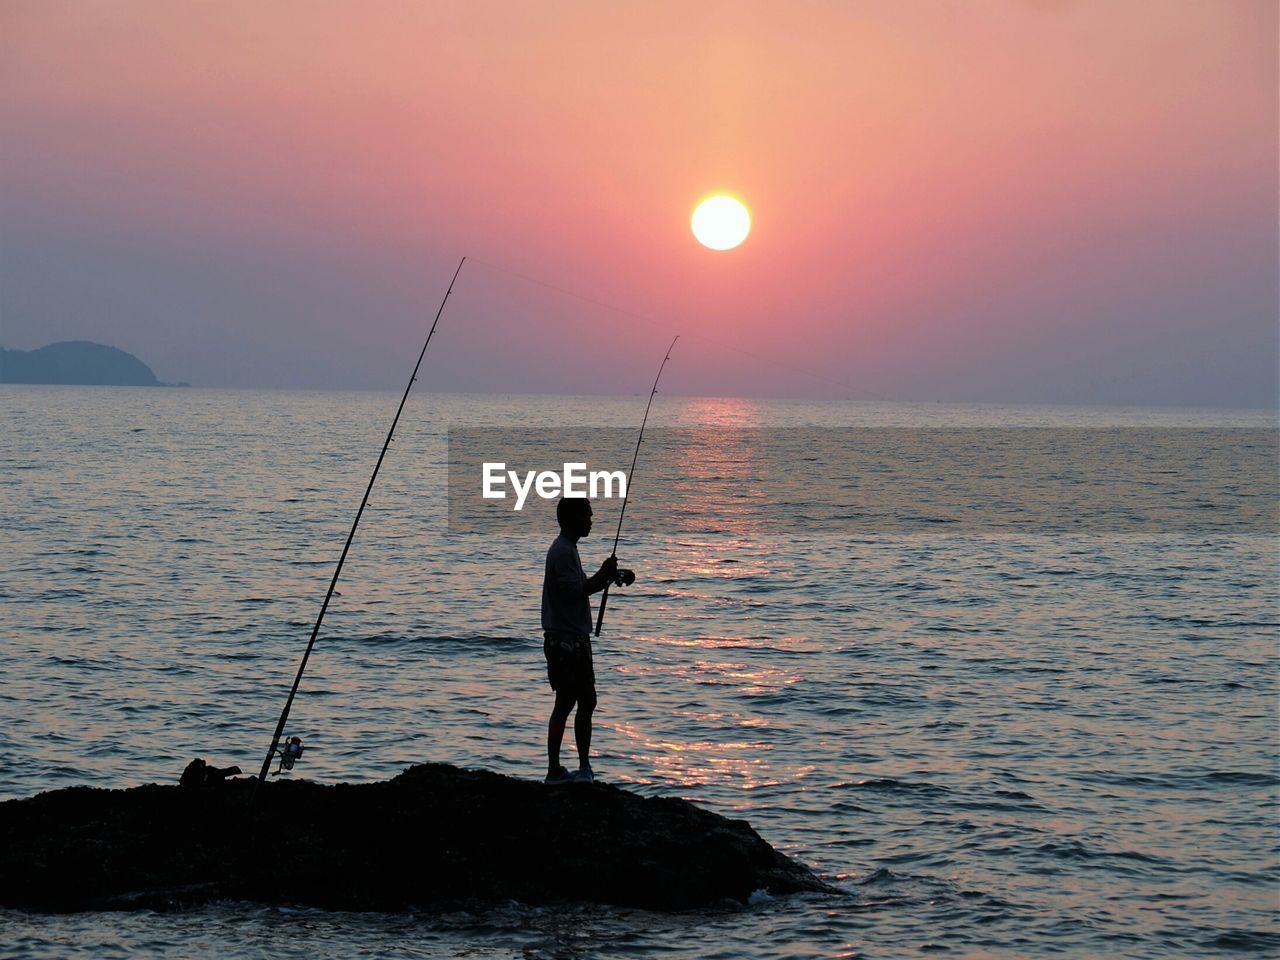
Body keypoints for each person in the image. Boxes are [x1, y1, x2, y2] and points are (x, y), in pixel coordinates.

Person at [542, 496, 632, 785]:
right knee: (571, 702)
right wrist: (604, 575)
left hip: (572, 639)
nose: (591, 520)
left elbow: (581, 586)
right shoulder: (563, 552)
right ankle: (566, 770)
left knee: (581, 701)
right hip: (566, 641)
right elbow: (576, 592)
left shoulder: (567, 549)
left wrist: (612, 576)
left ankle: (574, 768)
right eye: (587, 516)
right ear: (572, 519)